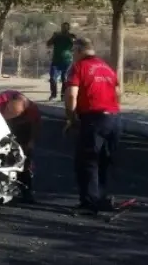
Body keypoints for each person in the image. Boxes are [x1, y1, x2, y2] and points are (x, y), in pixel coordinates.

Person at [64, 37, 121, 213]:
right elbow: (118, 93)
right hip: (114, 119)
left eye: (73, 51)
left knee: (87, 162)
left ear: (79, 50)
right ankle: (100, 197)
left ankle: (89, 203)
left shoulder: (78, 67)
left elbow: (71, 95)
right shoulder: (106, 67)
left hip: (93, 119)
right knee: (104, 160)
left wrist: (71, 118)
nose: (72, 55)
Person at [0, 89, 41, 203]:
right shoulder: (1, 99)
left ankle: (26, 190)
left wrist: (31, 142)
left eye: (15, 116)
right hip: (0, 126)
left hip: (22, 130)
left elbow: (35, 127)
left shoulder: (32, 110)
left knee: (24, 159)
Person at [45, 22, 76, 101]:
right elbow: (48, 44)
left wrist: (71, 39)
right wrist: (53, 37)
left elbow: (75, 45)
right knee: (52, 78)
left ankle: (63, 95)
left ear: (68, 28)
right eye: (62, 27)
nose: (64, 29)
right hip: (56, 61)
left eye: (66, 27)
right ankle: (53, 94)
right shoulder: (57, 36)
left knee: (64, 78)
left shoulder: (72, 36)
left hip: (67, 61)